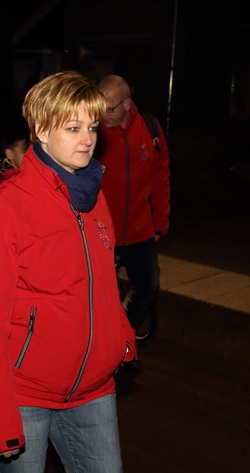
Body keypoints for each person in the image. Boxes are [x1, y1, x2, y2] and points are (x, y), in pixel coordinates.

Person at [0, 70, 136, 473]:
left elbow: (102, 280)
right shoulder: (6, 205)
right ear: (41, 131)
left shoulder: (93, 194)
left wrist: (120, 335)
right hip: (23, 390)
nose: (87, 138)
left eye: (92, 126)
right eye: (73, 127)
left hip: (91, 386)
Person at [96, 74, 170, 345]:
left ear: (127, 105)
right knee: (97, 294)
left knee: (148, 286)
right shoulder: (92, 132)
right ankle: (103, 346)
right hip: (101, 233)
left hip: (140, 231)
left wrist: (160, 221)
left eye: (108, 108)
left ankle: (120, 341)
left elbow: (160, 176)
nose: (102, 114)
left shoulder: (150, 128)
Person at [0, 123, 29, 195]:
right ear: (10, 154)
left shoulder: (35, 175)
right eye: (25, 151)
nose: (31, 155)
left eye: (33, 151)